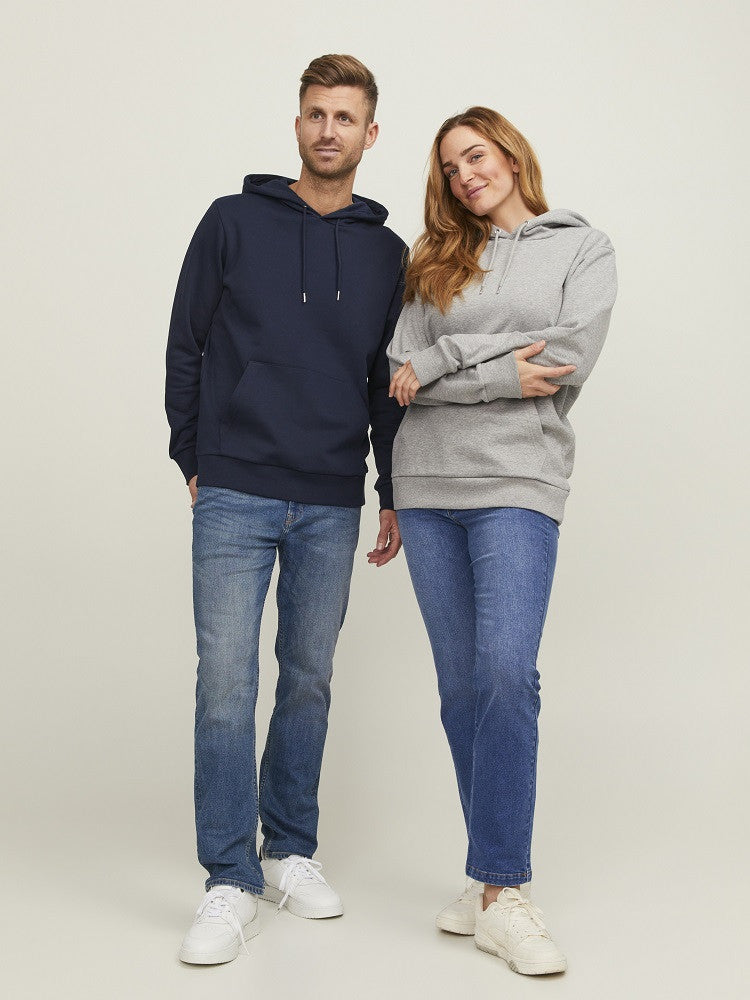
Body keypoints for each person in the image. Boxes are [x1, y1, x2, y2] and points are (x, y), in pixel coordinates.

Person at [165, 54, 405, 965]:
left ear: (370, 134)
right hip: (234, 488)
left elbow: (385, 383)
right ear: (297, 123)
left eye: (345, 117)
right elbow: (186, 342)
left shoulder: (387, 254)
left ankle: (289, 848)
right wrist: (193, 454)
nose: (328, 130)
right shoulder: (231, 222)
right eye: (315, 113)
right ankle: (229, 876)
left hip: (331, 497)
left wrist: (390, 490)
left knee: (308, 677)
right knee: (225, 682)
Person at [387, 106, 617, 976]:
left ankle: (503, 892)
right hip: (427, 486)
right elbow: (397, 373)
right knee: (461, 691)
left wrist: (445, 360)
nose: (465, 176)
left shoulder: (581, 249)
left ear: (511, 155)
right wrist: (480, 372)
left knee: (505, 675)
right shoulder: (433, 258)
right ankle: (488, 882)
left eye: (475, 156)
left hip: (519, 482)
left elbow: (562, 359)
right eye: (450, 168)